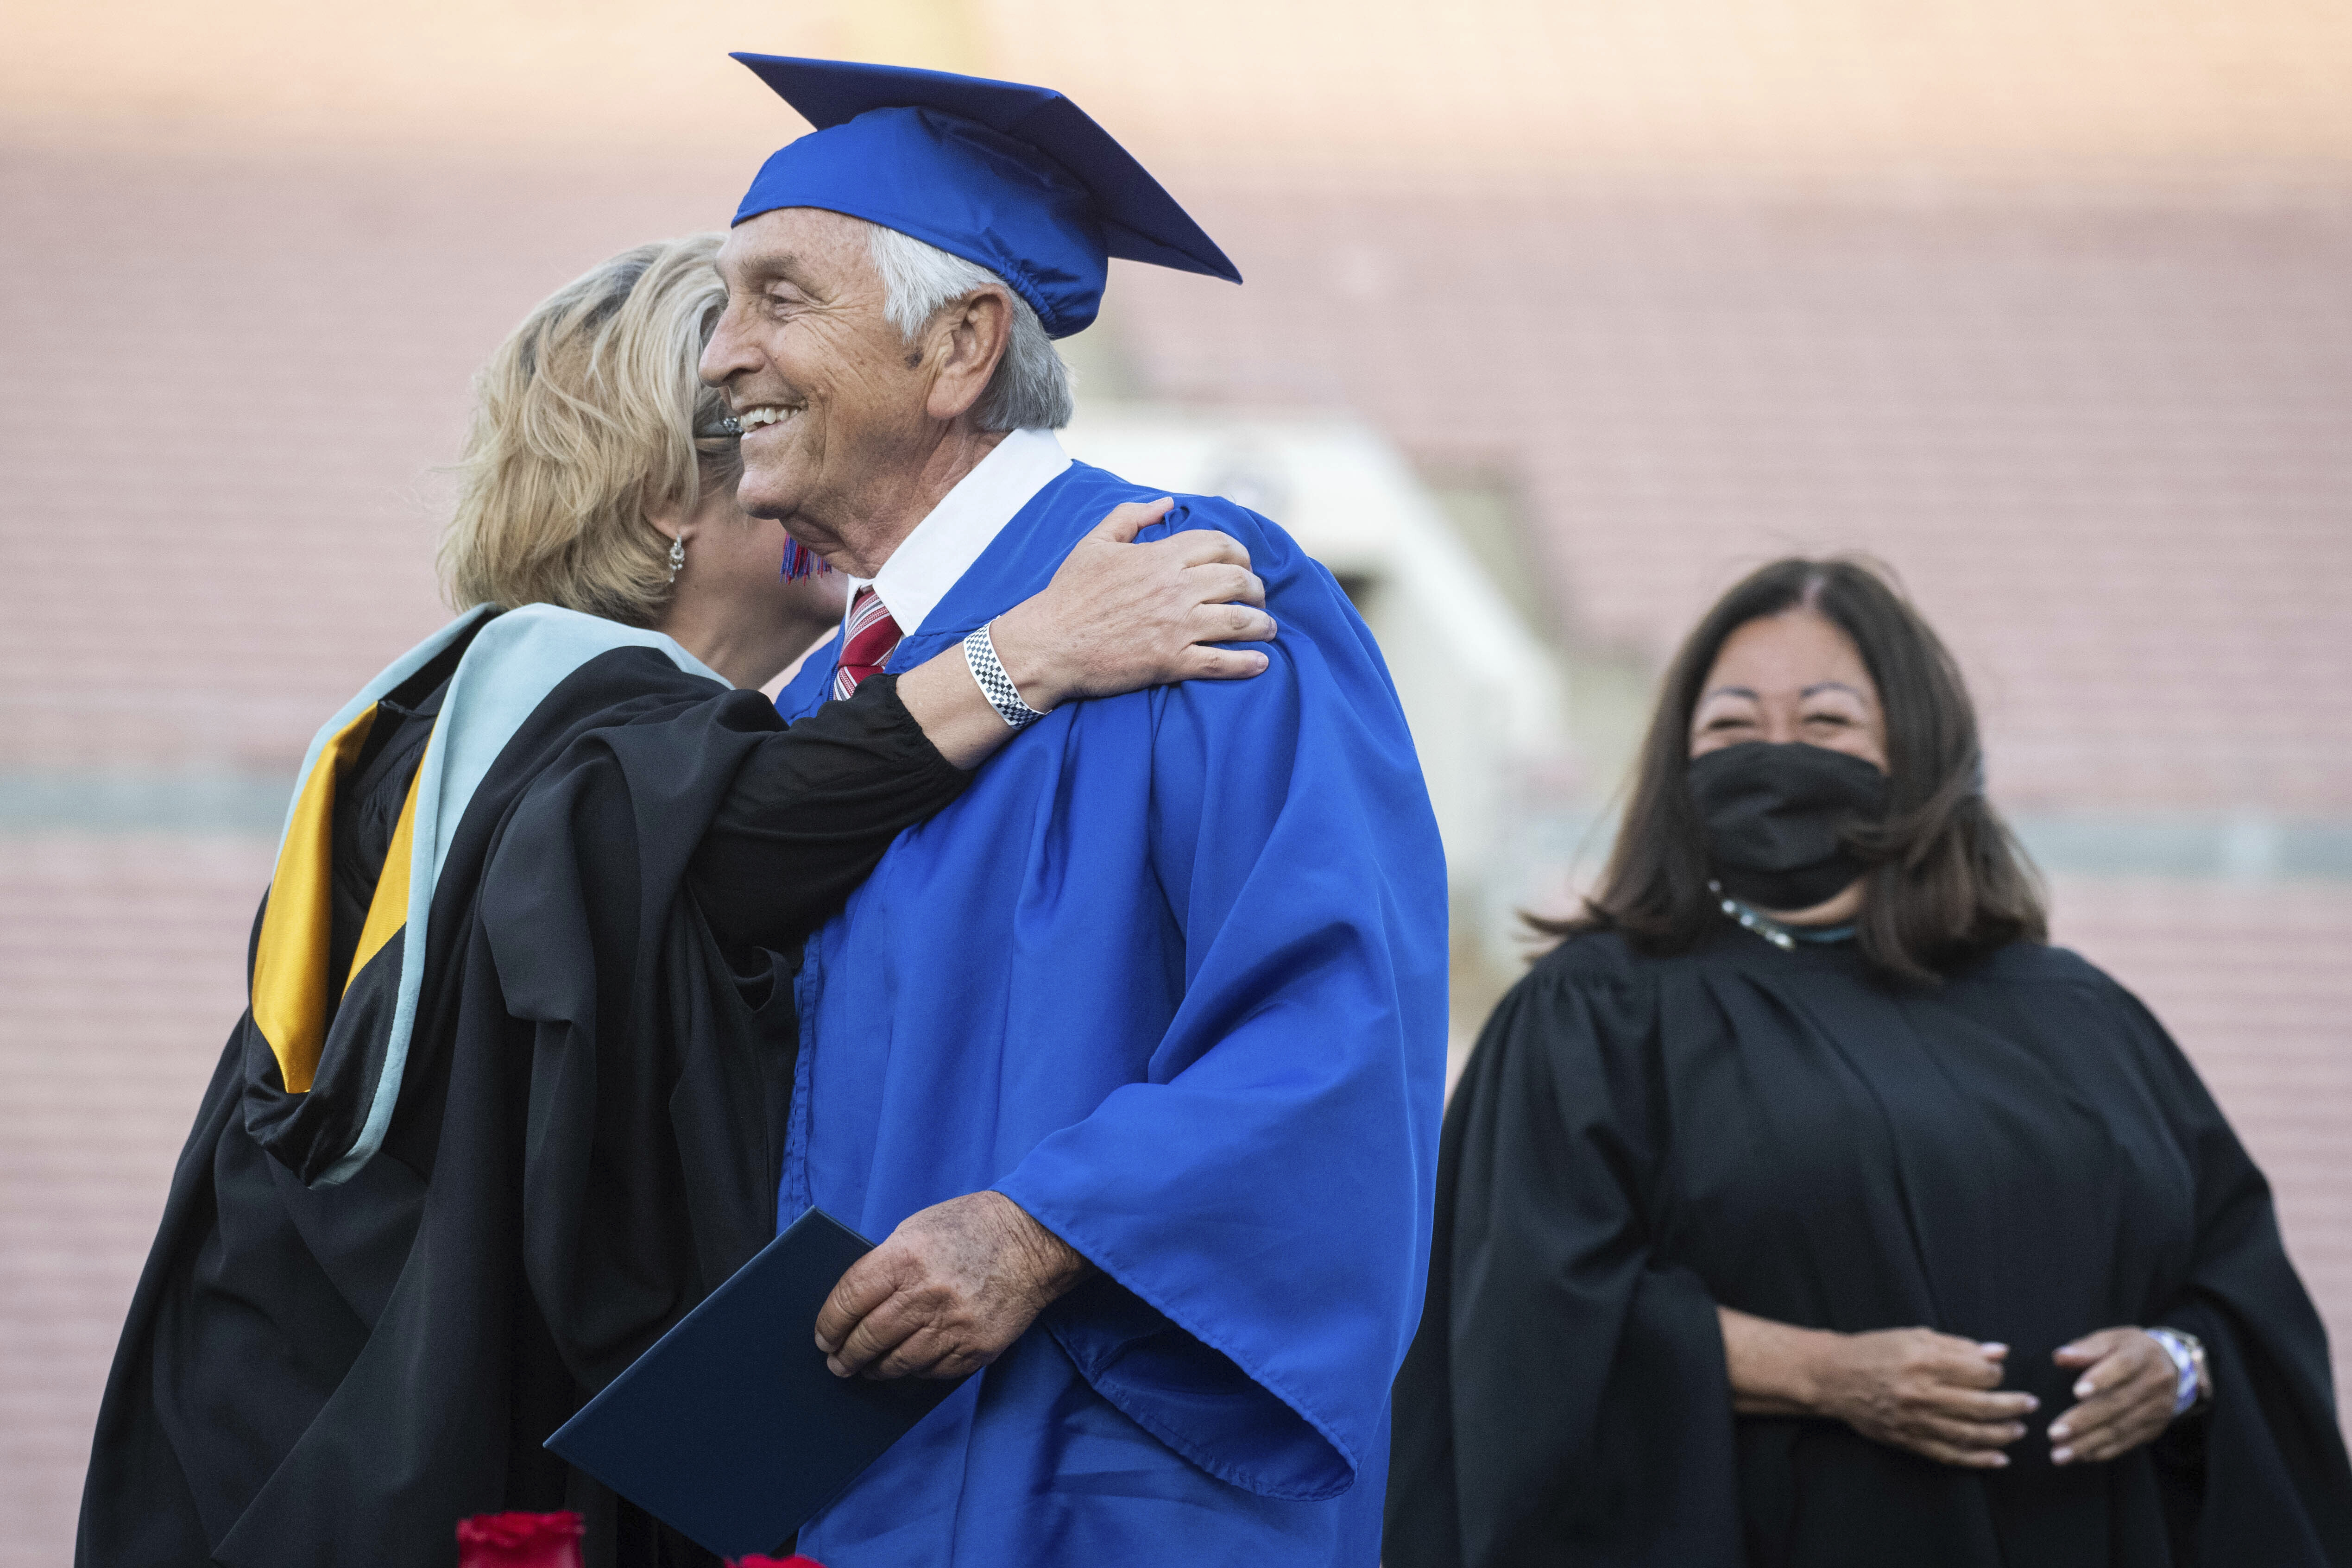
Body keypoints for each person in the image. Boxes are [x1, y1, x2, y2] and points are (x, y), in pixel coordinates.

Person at [76, 233, 1276, 1568]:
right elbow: (728, 837)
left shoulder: (450, 712)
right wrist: (1033, 652)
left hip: (333, 1417)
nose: (804, 490)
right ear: (662, 501)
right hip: (418, 1472)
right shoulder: (559, 701)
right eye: (758, 443)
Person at [697, 55, 1450, 1567]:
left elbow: (1335, 1026)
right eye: (725, 307)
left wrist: (1038, 1230)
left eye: (777, 300)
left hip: (1091, 1485)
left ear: (960, 345)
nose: (719, 358)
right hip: (830, 1488)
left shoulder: (1203, 601)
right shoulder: (819, 709)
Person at [1385, 556, 2352, 1567]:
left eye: (1826, 722)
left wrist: (2179, 1364)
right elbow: (1527, 1321)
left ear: (1919, 749)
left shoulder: (2080, 1016)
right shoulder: (1597, 1015)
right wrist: (1826, 1374)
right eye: (1730, 727)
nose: (1776, 754)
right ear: (1678, 764)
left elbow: (2240, 1283)